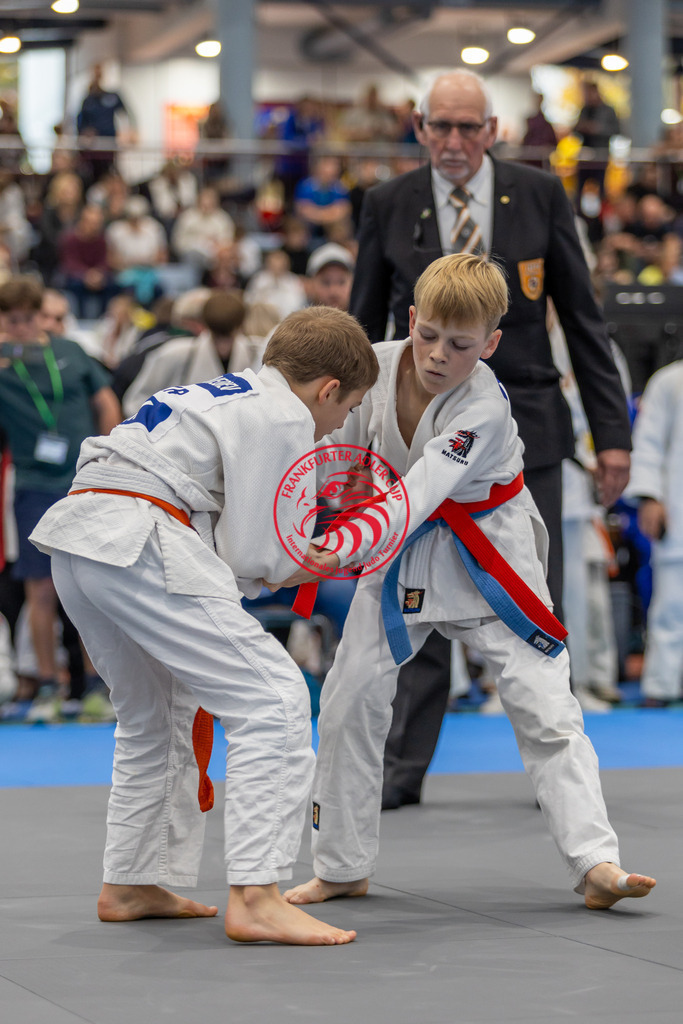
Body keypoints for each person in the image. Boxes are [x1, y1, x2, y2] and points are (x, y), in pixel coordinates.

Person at [277, 253, 655, 913]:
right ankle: (340, 864)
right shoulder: (373, 363)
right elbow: (326, 446)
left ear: (490, 343)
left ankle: (595, 861)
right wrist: (298, 518)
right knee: (347, 699)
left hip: (486, 553)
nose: (436, 356)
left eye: (459, 345)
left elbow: (419, 492)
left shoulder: (482, 403)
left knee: (544, 705)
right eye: (427, 336)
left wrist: (336, 544)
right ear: (412, 317)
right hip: (401, 549)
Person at [29, 305, 379, 945]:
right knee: (272, 698)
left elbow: (230, 551)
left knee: (157, 711)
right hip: (138, 533)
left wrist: (279, 561)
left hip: (81, 535)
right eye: (348, 408)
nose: (339, 424)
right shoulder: (283, 416)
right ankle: (257, 893)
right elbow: (257, 554)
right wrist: (322, 557)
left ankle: (132, 880)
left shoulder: (223, 392)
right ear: (329, 390)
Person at [349, 69, 632, 805]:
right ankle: (398, 771)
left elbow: (582, 319)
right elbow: (363, 330)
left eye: (465, 127)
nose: (451, 141)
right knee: (410, 601)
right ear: (418, 128)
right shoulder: (388, 204)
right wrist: (348, 444)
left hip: (527, 432)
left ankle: (559, 776)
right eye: (437, 126)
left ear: (492, 130)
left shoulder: (539, 195)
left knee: (532, 601)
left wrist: (612, 436)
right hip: (415, 437)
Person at [0, 276, 120, 721]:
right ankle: (49, 687)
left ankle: (95, 685)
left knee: (90, 586)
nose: (20, 328)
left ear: (41, 315)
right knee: (41, 590)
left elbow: (106, 403)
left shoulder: (70, 352)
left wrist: (110, 462)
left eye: (27, 319)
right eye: (10, 321)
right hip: (32, 483)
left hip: (85, 480)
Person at [624, 358, 683, 706]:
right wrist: (648, 497)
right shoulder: (670, 380)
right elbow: (647, 443)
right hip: (677, 511)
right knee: (671, 605)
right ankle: (661, 685)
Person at [121, 290, 262, 418]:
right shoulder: (176, 354)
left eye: (227, 336)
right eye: (219, 337)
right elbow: (136, 402)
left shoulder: (256, 353)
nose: (223, 346)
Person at [306, 243, 354, 311]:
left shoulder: (368, 319)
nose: (334, 292)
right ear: (310, 285)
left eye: (341, 282)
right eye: (326, 282)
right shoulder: (296, 320)